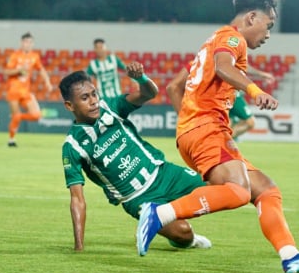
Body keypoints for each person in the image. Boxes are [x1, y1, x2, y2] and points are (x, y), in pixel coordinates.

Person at [140, 0, 299, 273]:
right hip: (207, 129)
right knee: (238, 191)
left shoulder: (209, 44)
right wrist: (254, 90)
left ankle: (291, 258)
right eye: (268, 25)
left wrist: (187, 124)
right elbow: (223, 68)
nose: (268, 34)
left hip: (199, 130)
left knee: (266, 190)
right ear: (252, 17)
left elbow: (173, 87)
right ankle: (160, 214)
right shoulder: (232, 38)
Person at [59, 67, 211, 252]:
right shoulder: (73, 145)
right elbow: (77, 199)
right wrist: (79, 247)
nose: (93, 102)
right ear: (69, 105)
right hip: (138, 198)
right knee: (184, 233)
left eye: (94, 94)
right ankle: (182, 235)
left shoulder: (111, 108)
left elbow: (149, 93)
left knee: (216, 184)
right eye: (85, 98)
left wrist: (142, 79)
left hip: (163, 173)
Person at [4, 32, 53, 147]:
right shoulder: (15, 55)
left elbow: (41, 69)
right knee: (15, 116)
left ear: (33, 44)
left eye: (30, 42)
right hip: (13, 90)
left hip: (26, 91)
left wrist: (47, 81)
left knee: (36, 116)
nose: (28, 44)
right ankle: (11, 140)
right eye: (26, 42)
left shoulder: (34, 56)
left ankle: (19, 116)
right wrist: (19, 70)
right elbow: (6, 71)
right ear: (22, 43)